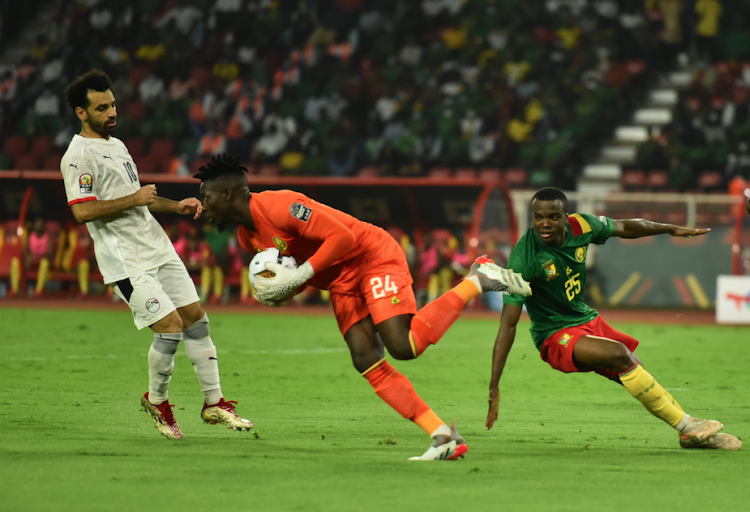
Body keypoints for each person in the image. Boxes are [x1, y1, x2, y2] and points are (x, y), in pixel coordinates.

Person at [194, 153, 532, 461]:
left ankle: (476, 278)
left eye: (206, 197)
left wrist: (300, 276)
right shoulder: (246, 237)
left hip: (370, 256)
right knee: (364, 358)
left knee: (403, 345)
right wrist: (277, 293)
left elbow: (343, 238)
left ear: (227, 194)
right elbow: (290, 279)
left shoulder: (281, 205)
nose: (203, 206)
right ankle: (442, 435)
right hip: (341, 284)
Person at [60, 70, 252, 440]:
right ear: (81, 113)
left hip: (157, 246)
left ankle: (214, 402)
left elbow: (139, 200)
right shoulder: (77, 157)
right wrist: (136, 198)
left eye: (113, 104)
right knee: (170, 327)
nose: (112, 112)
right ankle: (158, 400)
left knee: (196, 319)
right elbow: (82, 211)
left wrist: (175, 206)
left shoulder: (116, 146)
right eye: (102, 108)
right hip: (126, 260)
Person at [485, 187, 741, 451]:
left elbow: (625, 227)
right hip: (554, 334)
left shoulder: (582, 225)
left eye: (553, 216)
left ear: (566, 216)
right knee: (619, 354)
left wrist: (668, 228)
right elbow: (509, 324)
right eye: (538, 217)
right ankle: (689, 427)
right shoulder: (522, 258)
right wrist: (494, 386)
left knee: (634, 368)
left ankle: (688, 431)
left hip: (586, 319)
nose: (545, 224)